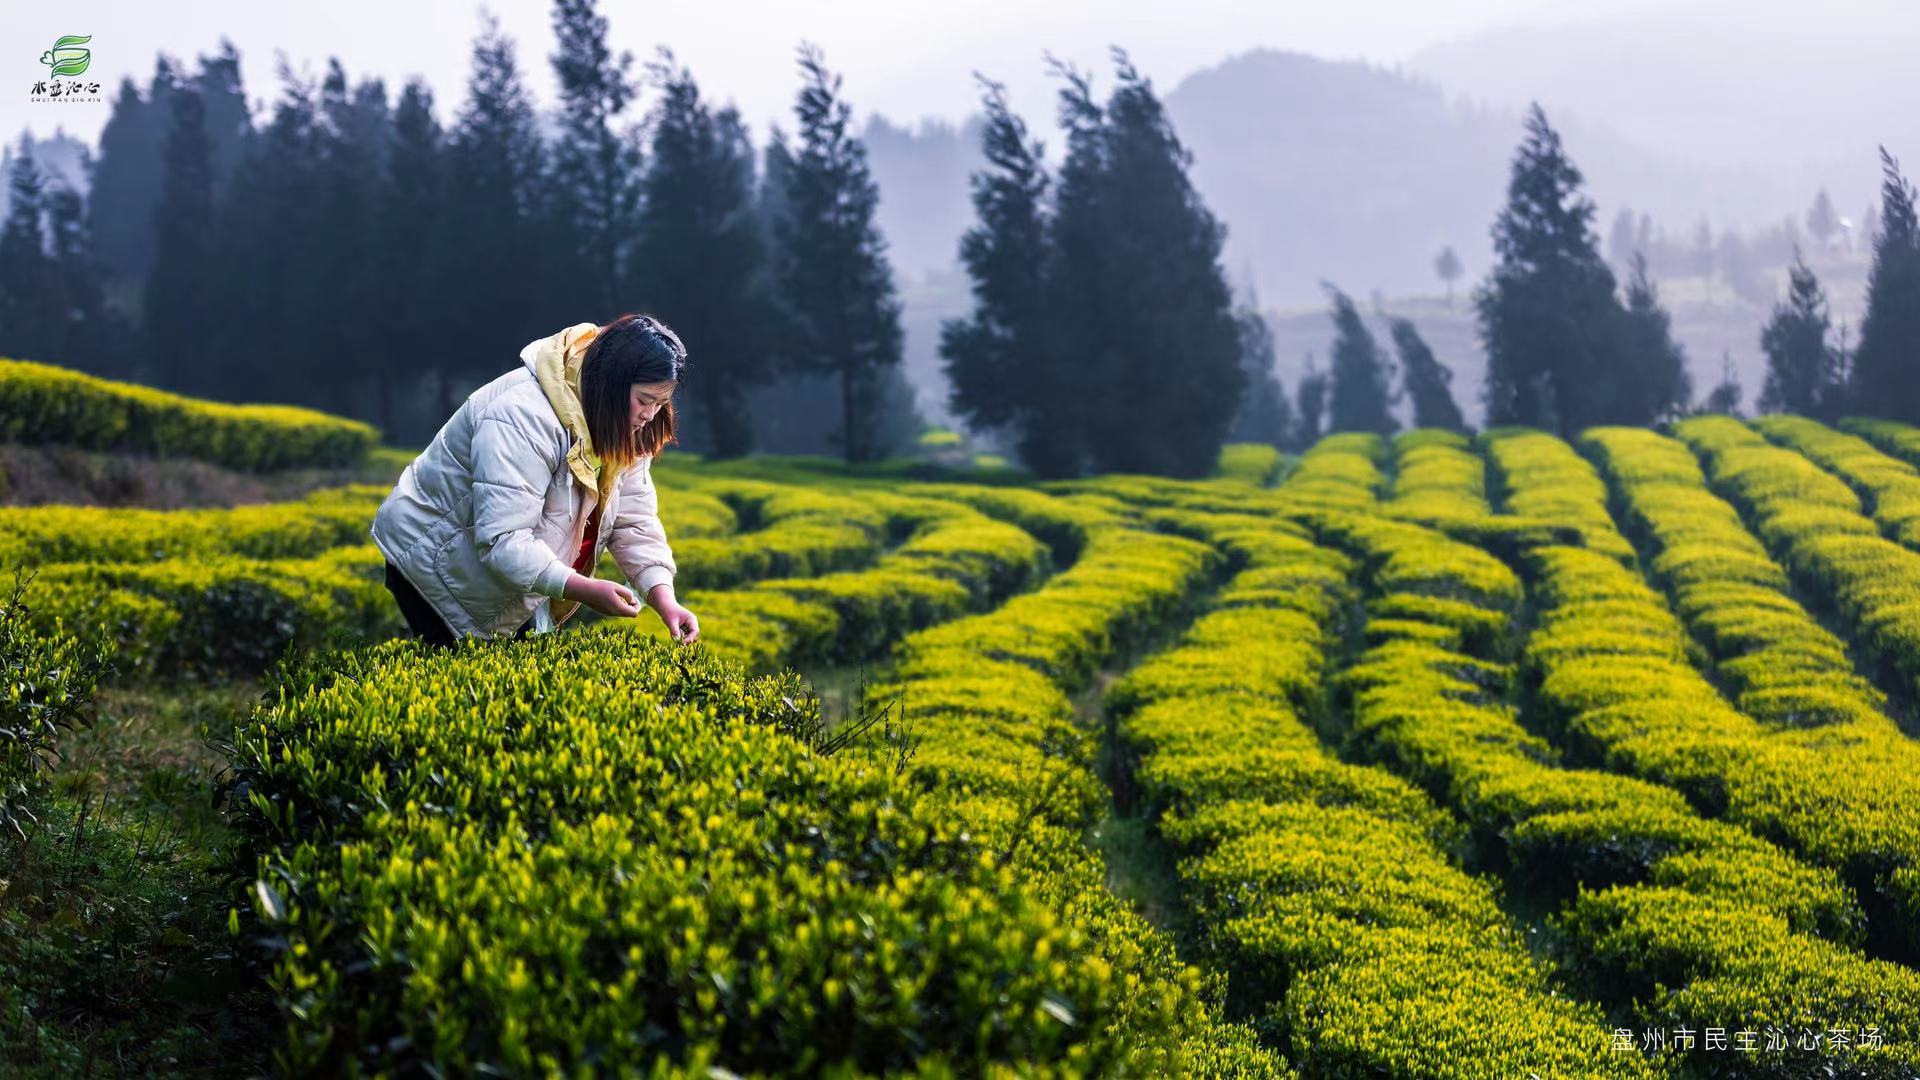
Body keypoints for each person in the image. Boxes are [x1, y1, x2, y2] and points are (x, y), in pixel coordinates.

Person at [371, 313, 701, 647]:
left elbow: (634, 520)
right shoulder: (521, 416)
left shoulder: (623, 421)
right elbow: (503, 539)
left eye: (661, 403)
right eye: (644, 400)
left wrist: (664, 599)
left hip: (500, 563)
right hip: (435, 558)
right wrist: (584, 589)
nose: (649, 415)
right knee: (469, 668)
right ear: (611, 383)